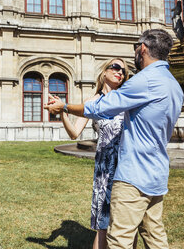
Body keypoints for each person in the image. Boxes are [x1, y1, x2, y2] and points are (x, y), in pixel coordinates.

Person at [45, 29, 184, 249]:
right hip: (156, 173)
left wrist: (64, 106)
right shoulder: (174, 85)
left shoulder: (144, 80)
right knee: (154, 236)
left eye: (135, 48)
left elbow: (102, 107)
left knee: (119, 240)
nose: (122, 70)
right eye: (115, 67)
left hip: (132, 175)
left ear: (143, 48)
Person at [55, 58, 132, 249]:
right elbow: (74, 133)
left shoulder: (126, 99)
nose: (120, 72)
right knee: (103, 223)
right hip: (105, 166)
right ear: (104, 72)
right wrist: (62, 112)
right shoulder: (92, 101)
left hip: (127, 163)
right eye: (115, 67)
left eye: (123, 70)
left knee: (129, 221)